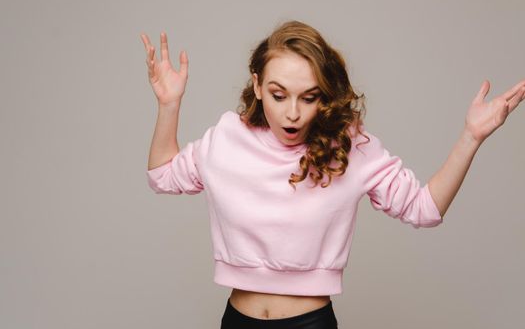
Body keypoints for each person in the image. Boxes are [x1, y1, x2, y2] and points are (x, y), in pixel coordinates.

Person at [141, 20, 525, 329]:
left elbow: (424, 208)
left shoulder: (349, 146)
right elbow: (163, 176)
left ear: (324, 96)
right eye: (278, 94)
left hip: (311, 324)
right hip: (237, 321)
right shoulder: (227, 138)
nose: (293, 112)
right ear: (257, 86)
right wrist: (169, 105)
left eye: (309, 97)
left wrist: (471, 137)